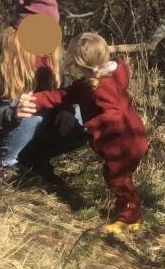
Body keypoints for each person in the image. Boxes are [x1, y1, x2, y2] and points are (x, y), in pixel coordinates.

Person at [30, 31, 149, 234]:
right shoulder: (98, 80)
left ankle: (128, 215)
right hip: (130, 137)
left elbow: (114, 112)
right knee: (118, 177)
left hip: (123, 143)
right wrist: (38, 100)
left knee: (118, 178)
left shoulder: (103, 86)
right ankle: (132, 215)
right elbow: (66, 94)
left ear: (81, 64)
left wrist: (91, 125)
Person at [0, 0, 84, 180]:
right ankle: (1, 167)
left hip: (24, 131)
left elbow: (61, 94)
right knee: (32, 107)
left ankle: (32, 159)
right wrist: (12, 113)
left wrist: (66, 110)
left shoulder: (51, 58)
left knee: (85, 116)